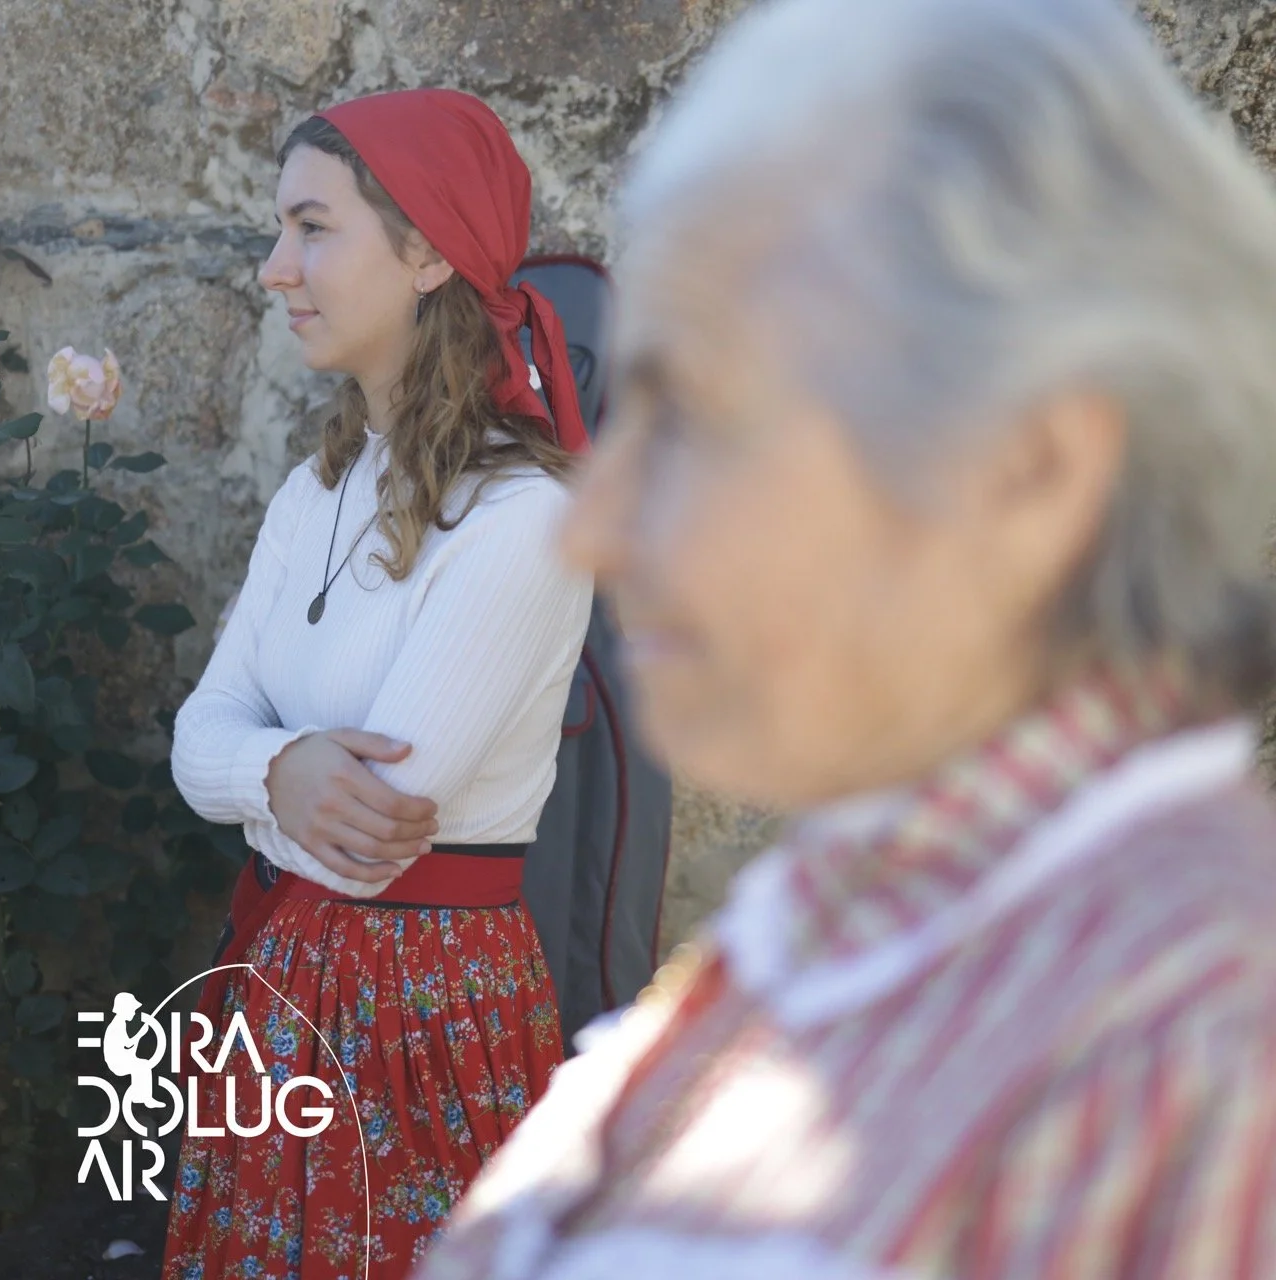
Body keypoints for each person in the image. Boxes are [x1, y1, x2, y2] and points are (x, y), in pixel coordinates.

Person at [415, 1, 1276, 1276]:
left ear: (1027, 468)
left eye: (691, 413)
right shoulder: (847, 915)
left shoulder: (1185, 1039)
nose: (589, 529)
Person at [161, 88, 593, 1280]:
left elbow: (370, 837)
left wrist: (252, 769)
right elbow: (195, 737)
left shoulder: (520, 521)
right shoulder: (314, 492)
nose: (274, 268)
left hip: (419, 1021)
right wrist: (278, 769)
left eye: (311, 228)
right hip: (278, 989)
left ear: (426, 252)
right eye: (279, 230)